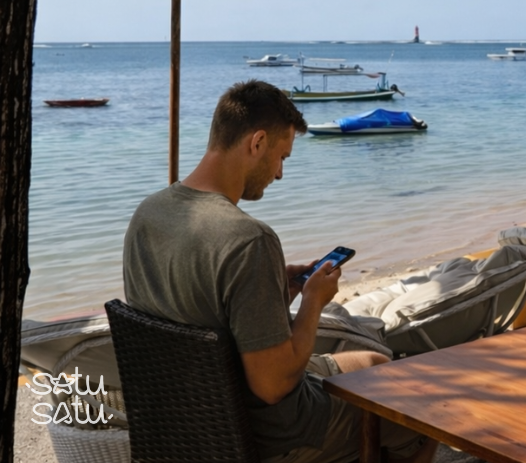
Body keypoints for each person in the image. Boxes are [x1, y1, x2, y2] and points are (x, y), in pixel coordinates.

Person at [123, 80, 434, 463]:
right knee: (420, 408)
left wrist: (273, 291)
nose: (280, 174)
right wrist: (313, 302)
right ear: (256, 143)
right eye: (282, 157)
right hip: (264, 433)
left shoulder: (148, 213)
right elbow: (273, 386)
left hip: (181, 416)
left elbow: (196, 308)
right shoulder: (249, 239)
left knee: (375, 363)